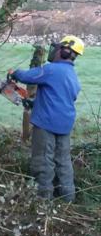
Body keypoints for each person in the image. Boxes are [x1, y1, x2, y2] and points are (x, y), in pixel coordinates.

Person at [10, 35, 84, 202]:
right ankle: (67, 198)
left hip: (46, 123)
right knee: (63, 161)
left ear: (65, 51)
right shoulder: (72, 75)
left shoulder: (51, 70)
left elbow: (27, 76)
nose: (54, 51)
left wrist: (14, 73)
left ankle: (43, 200)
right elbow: (60, 97)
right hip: (64, 124)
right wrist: (35, 102)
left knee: (43, 160)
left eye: (57, 48)